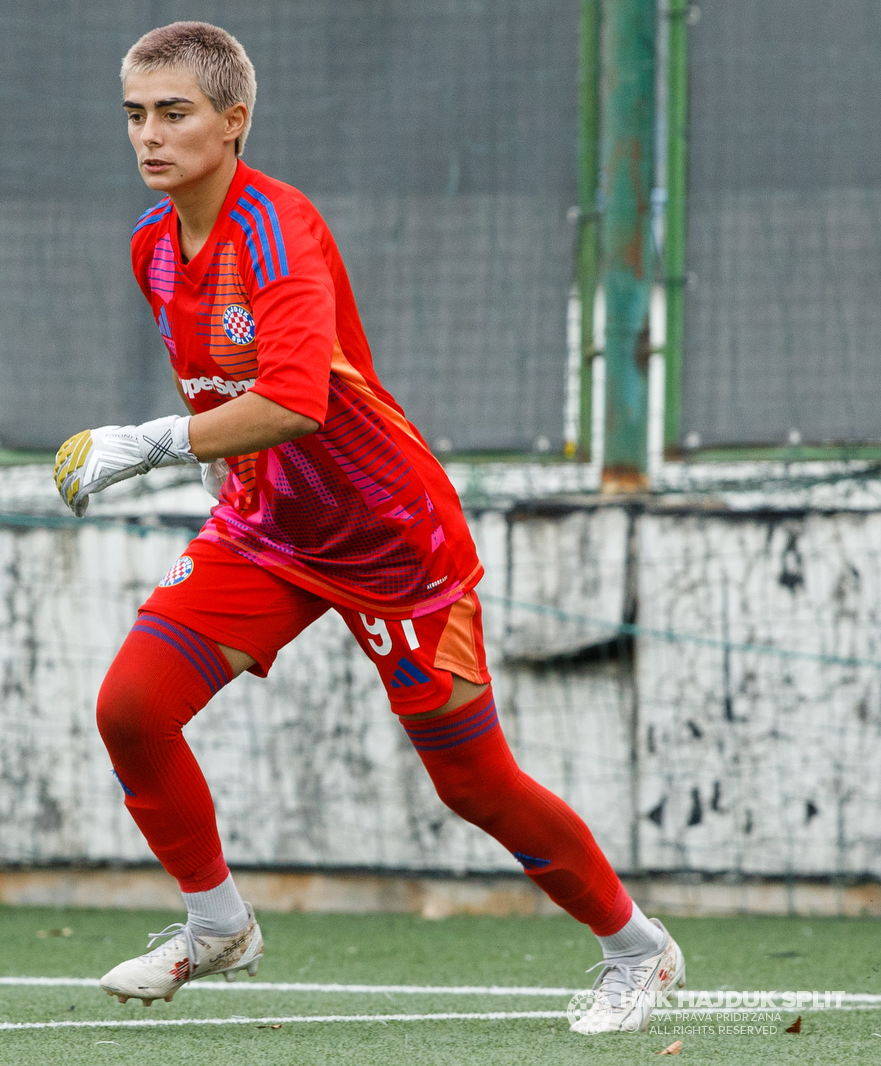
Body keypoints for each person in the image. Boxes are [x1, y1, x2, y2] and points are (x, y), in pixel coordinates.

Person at [52, 21, 683, 1035]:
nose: (149, 135)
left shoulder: (277, 228)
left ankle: (637, 949)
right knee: (131, 706)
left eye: (174, 113)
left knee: (473, 781)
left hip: (394, 541)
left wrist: (153, 442)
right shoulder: (150, 247)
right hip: (267, 532)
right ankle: (217, 924)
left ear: (234, 120)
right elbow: (231, 391)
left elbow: (297, 399)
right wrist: (215, 459)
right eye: (135, 114)